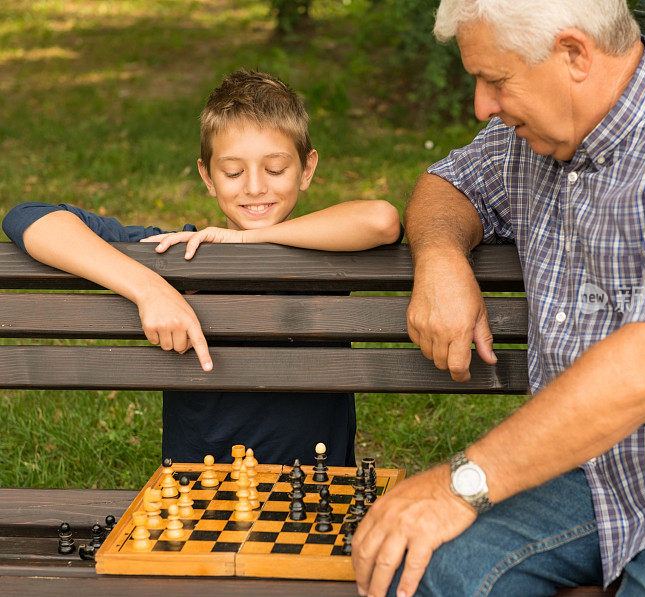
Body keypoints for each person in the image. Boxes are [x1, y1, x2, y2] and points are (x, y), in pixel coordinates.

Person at [351, 1, 645, 595]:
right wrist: (440, 258)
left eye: (495, 80)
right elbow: (447, 183)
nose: (482, 105)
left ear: (574, 55)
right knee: (424, 570)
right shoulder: (531, 137)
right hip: (587, 466)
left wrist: (457, 484)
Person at [2, 70, 402, 467]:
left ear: (307, 169)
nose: (255, 187)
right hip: (203, 498)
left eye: (276, 169)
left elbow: (382, 220)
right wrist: (150, 288)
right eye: (233, 172)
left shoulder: (326, 250)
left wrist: (245, 240)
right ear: (207, 177)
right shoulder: (176, 253)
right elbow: (29, 217)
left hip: (313, 497)